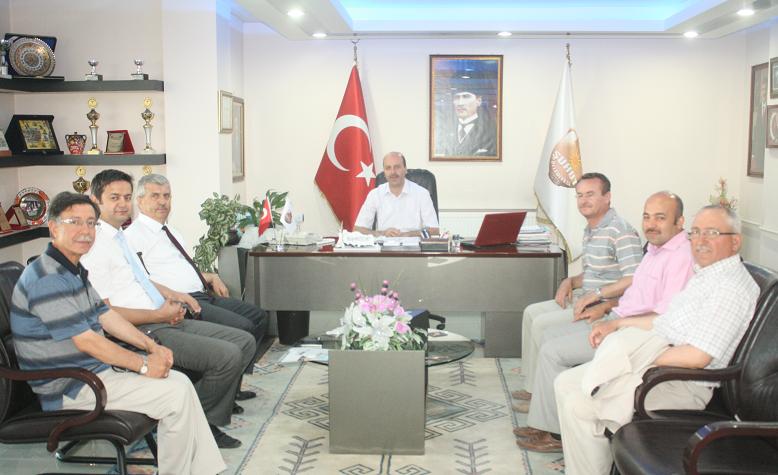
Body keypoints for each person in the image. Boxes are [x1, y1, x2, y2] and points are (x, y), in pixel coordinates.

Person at [9, 192, 226, 475]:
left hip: (91, 373)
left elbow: (106, 316)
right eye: (74, 222)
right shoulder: (47, 278)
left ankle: (201, 470)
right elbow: (88, 341)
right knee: (175, 394)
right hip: (70, 387)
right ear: (53, 227)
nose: (85, 231)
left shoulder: (71, 269)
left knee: (180, 382)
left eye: (91, 223)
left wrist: (151, 346)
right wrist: (144, 365)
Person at [555, 205, 759, 475]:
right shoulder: (706, 275)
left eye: (712, 233)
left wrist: (639, 360)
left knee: (579, 406)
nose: (700, 240)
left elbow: (697, 356)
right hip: (660, 362)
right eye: (696, 232)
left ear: (735, 241)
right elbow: (664, 321)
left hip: (679, 383)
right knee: (564, 382)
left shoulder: (729, 287)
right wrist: (616, 323)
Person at [81, 169, 255, 449]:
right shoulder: (94, 247)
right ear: (95, 200)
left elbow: (142, 279)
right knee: (227, 356)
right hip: (141, 328)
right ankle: (199, 427)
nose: (123, 204)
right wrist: (158, 315)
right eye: (114, 198)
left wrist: (174, 296)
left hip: (161, 314)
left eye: (126, 197)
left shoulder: (118, 237)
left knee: (244, 340)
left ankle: (192, 414)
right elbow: (106, 313)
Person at [516, 191, 694, 452]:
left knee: (553, 351)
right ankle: (545, 419)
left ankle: (555, 435)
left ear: (680, 222)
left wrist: (613, 320)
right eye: (647, 217)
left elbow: (665, 318)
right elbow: (636, 296)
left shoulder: (680, 257)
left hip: (637, 336)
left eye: (660, 217)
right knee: (549, 336)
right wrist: (607, 307)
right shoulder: (655, 250)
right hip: (616, 317)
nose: (651, 224)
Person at [519, 173, 642, 403]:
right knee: (530, 313)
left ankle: (544, 399)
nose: (583, 201)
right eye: (579, 195)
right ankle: (533, 389)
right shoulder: (592, 228)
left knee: (541, 324)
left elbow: (634, 279)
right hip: (583, 298)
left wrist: (597, 295)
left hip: (602, 307)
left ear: (607, 197)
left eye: (590, 195)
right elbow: (595, 272)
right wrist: (569, 281)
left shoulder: (621, 231)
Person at [125, 173, 268, 367]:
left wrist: (211, 276)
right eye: (155, 196)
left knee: (258, 316)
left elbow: (181, 268)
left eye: (166, 196)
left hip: (203, 294)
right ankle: (228, 373)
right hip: (183, 301)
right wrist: (175, 297)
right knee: (244, 327)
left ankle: (238, 374)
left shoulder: (170, 231)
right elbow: (141, 280)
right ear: (140, 201)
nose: (162, 202)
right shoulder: (132, 237)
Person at [353, 151, 440, 237]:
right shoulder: (375, 194)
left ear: (405, 169)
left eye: (397, 167)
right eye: (388, 168)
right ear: (384, 172)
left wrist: (408, 234)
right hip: (384, 243)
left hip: (413, 244)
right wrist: (382, 233)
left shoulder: (422, 193)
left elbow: (434, 230)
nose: (393, 172)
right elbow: (357, 229)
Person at [441, 90, 497, 157]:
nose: (460, 103)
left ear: (478, 101)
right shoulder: (443, 128)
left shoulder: (492, 129)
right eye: (456, 97)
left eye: (466, 97)